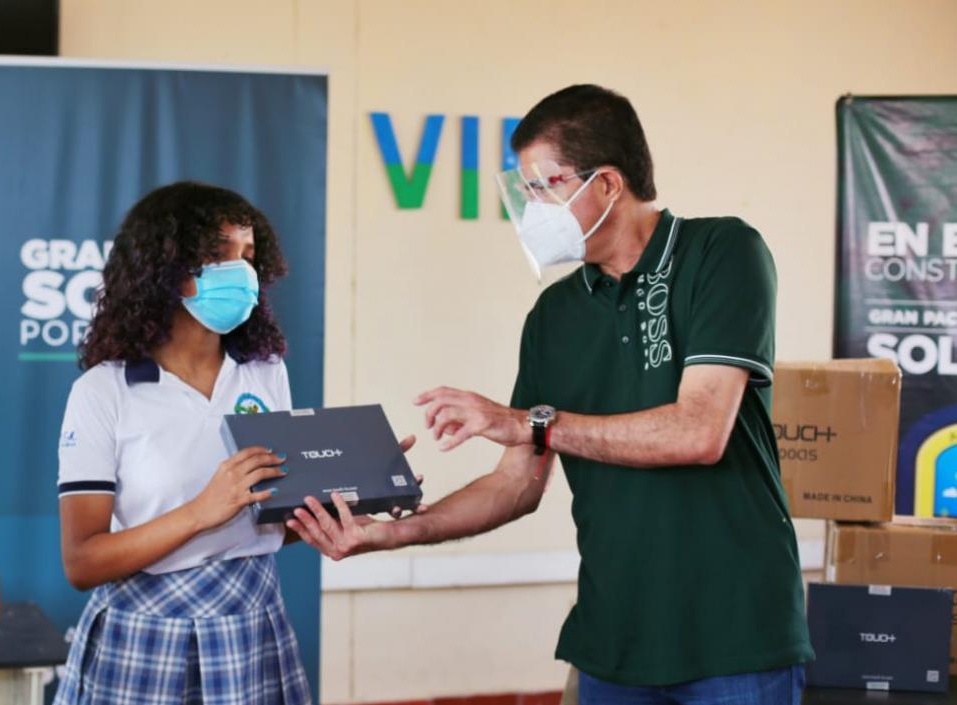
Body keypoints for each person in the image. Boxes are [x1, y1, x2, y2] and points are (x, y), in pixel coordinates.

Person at [287, 85, 814, 705]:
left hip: (738, 638)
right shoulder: (554, 314)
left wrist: (532, 424)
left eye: (546, 185)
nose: (532, 207)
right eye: (526, 189)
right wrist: (397, 532)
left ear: (609, 184)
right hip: (613, 640)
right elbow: (517, 485)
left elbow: (698, 431)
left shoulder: (721, 252)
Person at [53, 182, 313, 705]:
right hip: (146, 639)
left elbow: (266, 526)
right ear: (165, 267)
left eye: (248, 255)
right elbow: (83, 562)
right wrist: (201, 512)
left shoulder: (265, 374)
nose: (240, 271)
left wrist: (341, 494)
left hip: (253, 623)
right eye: (218, 254)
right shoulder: (104, 390)